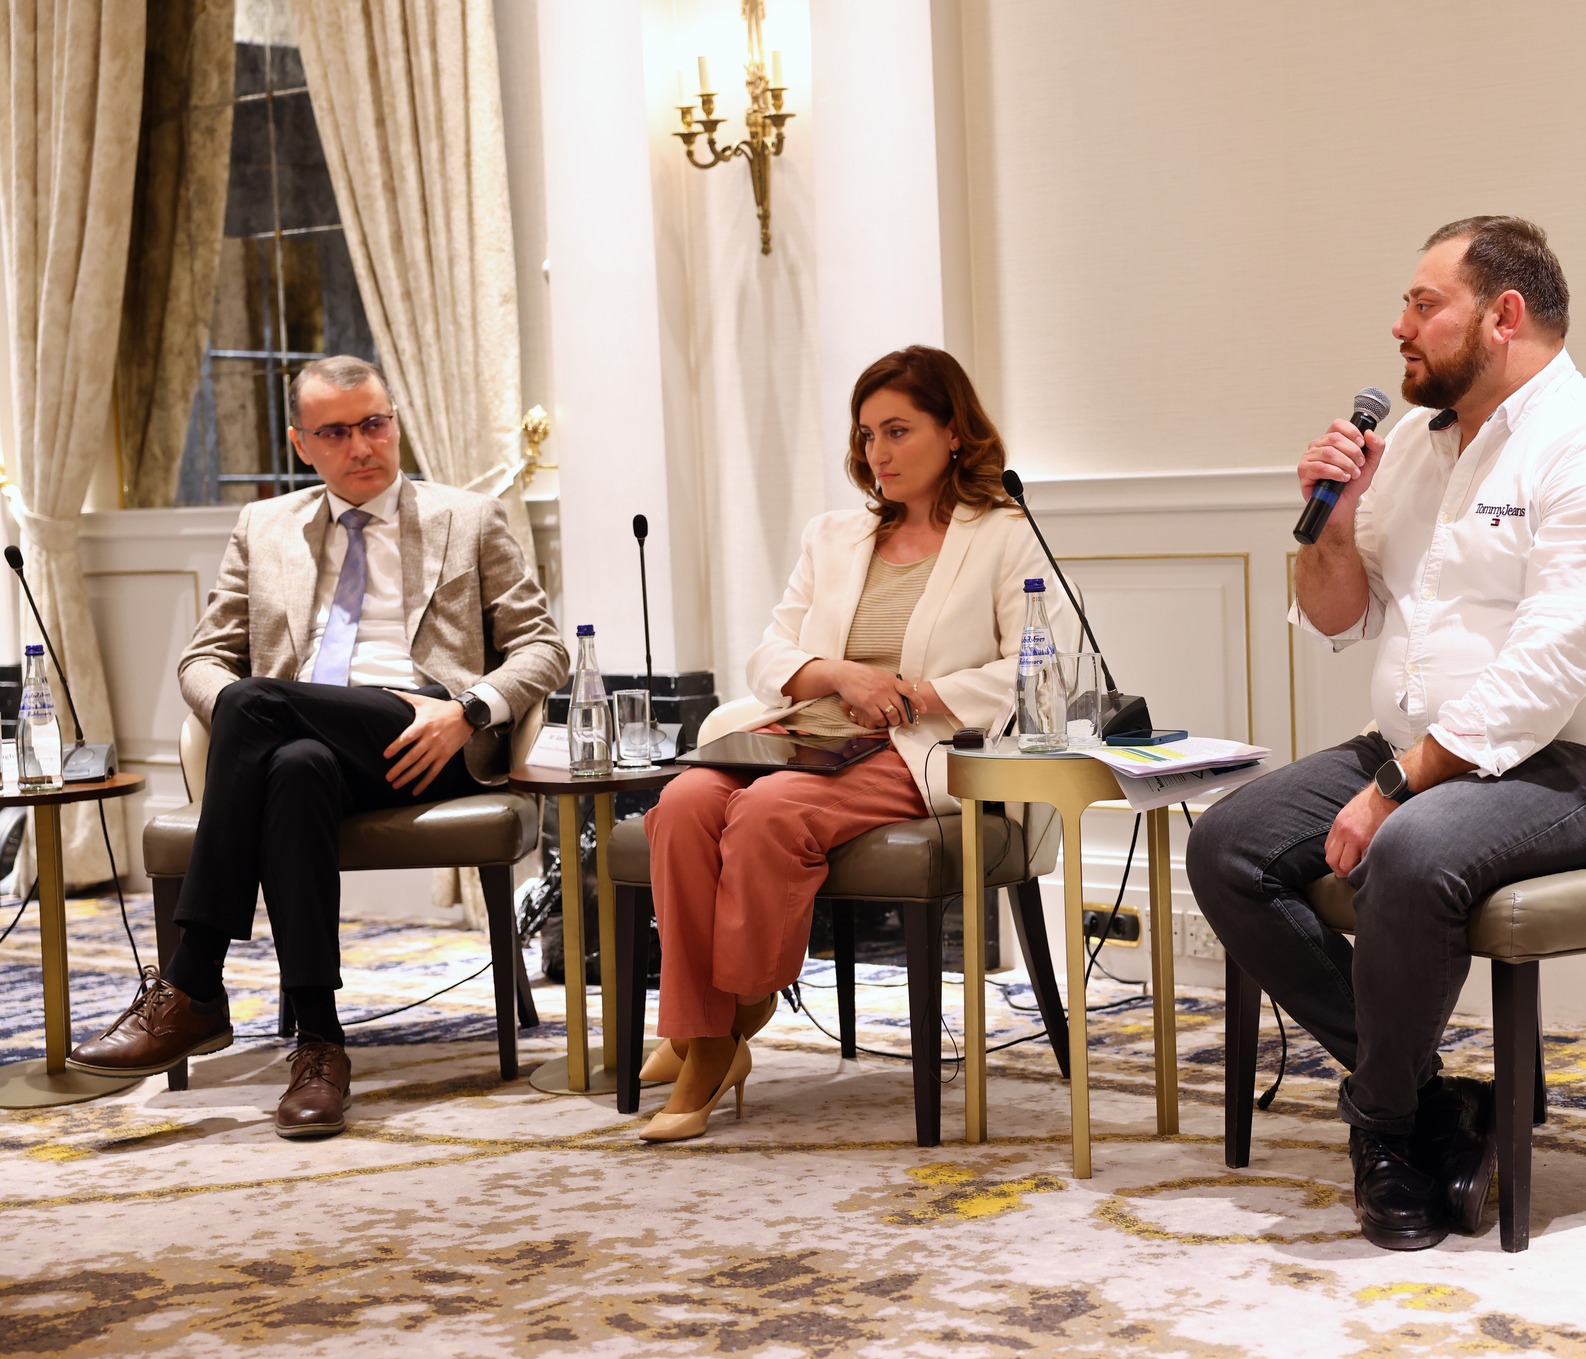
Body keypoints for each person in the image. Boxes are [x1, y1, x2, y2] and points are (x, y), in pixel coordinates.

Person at [1186, 217, 1586, 1249]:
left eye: (1424, 305)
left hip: (1585, 768)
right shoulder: (1417, 450)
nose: (1399, 326)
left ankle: (1383, 1130)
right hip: (1417, 750)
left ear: (1502, 316)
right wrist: (1333, 522)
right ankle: (1427, 1099)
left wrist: (1395, 789)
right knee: (1228, 845)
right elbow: (1338, 616)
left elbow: (1547, 673)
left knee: (1410, 850)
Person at [68, 356, 569, 1139]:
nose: (361, 445)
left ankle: (193, 983)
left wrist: (469, 710)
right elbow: (203, 659)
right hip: (306, 745)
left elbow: (543, 646)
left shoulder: (469, 517)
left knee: (256, 703)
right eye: (335, 432)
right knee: (291, 761)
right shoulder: (264, 527)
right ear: (302, 443)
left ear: (395, 422)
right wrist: (245, 720)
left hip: (427, 741)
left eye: (374, 423)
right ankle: (320, 1048)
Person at [635, 345, 1070, 1143]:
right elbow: (770, 655)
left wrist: (913, 693)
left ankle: (720, 1031)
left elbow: (1038, 668)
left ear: (954, 431)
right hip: (806, 732)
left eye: (898, 430)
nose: (878, 453)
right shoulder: (832, 535)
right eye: (867, 434)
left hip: (915, 745)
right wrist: (840, 674)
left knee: (769, 811)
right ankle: (706, 1026)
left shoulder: (1004, 534)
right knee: (684, 800)